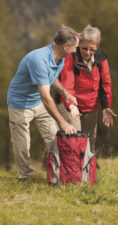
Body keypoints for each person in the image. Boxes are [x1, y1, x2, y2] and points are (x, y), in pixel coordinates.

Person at [7, 25, 79, 182]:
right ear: (66, 46)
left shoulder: (60, 57)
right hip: (20, 103)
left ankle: (58, 175)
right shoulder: (38, 59)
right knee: (22, 143)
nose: (75, 51)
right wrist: (63, 122)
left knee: (53, 136)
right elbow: (46, 97)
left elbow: (51, 77)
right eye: (74, 48)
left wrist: (64, 92)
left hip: (37, 101)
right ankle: (25, 177)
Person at [56, 25, 116, 155]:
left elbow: (106, 84)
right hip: (70, 104)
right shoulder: (71, 55)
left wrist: (106, 107)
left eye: (92, 49)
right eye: (84, 48)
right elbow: (68, 82)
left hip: (91, 105)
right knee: (75, 138)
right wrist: (71, 105)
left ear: (97, 46)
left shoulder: (101, 58)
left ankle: (88, 174)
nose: (88, 52)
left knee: (89, 142)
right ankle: (70, 173)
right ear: (80, 44)